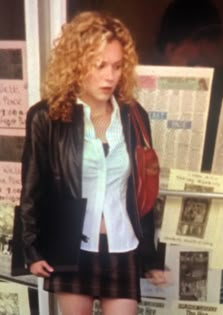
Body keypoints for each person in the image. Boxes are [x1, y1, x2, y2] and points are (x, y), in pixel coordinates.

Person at [19, 11, 164, 315]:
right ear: (77, 63)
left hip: (122, 246)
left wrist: (150, 258)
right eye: (99, 65)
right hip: (72, 246)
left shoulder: (133, 115)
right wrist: (31, 249)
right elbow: (33, 188)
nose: (110, 76)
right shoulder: (47, 117)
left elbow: (145, 191)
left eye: (117, 66)